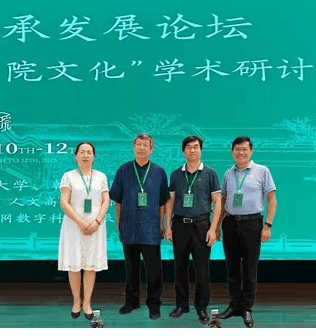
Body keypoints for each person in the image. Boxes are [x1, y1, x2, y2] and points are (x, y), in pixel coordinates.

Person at [217, 136, 277, 328]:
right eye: (237, 149)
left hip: (252, 224)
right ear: (232, 152)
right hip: (230, 224)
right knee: (232, 267)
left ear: (251, 151)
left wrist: (267, 225)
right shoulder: (228, 174)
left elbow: (272, 199)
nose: (240, 152)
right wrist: (216, 225)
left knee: (250, 268)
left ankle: (246, 308)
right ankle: (234, 305)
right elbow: (223, 200)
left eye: (244, 149)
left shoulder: (262, 171)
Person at [109, 132, 168, 320]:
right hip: (129, 227)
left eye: (145, 145)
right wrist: (118, 222)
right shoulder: (123, 170)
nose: (141, 148)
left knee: (154, 270)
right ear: (134, 147)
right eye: (138, 144)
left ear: (151, 149)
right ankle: (131, 301)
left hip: (151, 229)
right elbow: (117, 200)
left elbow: (162, 203)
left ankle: (154, 304)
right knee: (131, 268)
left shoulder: (159, 172)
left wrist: (162, 224)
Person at [164, 135, 222, 324]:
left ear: (201, 150)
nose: (192, 150)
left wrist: (213, 229)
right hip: (180, 225)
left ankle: (202, 308)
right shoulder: (176, 174)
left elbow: (217, 202)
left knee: (202, 269)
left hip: (201, 225)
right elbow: (171, 201)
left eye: (196, 147)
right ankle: (181, 305)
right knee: (179, 267)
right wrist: (167, 226)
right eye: (189, 147)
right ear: (183, 151)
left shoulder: (210, 173)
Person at [58, 141, 110, 320]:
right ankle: (76, 301)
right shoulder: (68, 176)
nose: (85, 155)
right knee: (74, 264)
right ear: (76, 156)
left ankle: (87, 303)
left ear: (94, 157)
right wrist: (80, 222)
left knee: (90, 265)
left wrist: (97, 221)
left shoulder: (101, 177)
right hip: (74, 225)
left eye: (89, 152)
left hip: (95, 226)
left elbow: (106, 201)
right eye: (82, 152)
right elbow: (64, 202)